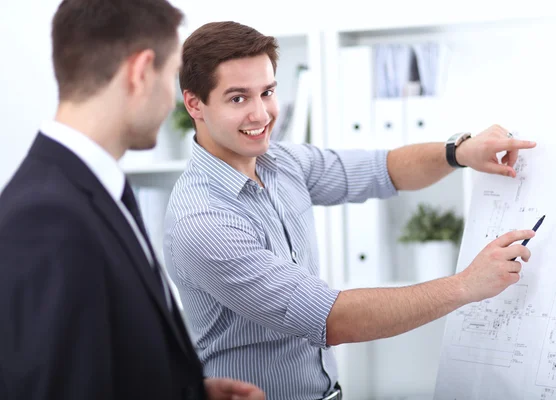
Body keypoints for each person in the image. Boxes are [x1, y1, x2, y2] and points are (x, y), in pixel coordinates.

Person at [163, 21, 537, 400]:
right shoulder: (204, 220)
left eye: (268, 92)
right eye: (238, 98)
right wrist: (465, 285)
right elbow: (332, 318)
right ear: (194, 103)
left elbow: (383, 169)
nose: (261, 115)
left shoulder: (281, 162)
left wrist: (458, 152)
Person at [0, 3, 264, 400]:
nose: (175, 100)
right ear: (141, 72)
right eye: (172, 75)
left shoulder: (89, 190)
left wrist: (189, 392)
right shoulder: (48, 218)